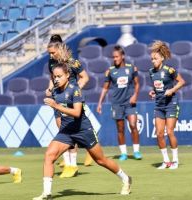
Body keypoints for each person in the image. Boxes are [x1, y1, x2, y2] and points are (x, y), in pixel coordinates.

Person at [33, 63, 132, 200]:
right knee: (49, 156)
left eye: (59, 76)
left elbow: (77, 113)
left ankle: (126, 178)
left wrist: (55, 105)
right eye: (54, 76)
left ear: (67, 75)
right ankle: (46, 193)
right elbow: (59, 110)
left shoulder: (75, 90)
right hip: (67, 131)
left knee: (101, 160)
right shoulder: (55, 91)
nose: (56, 79)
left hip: (83, 130)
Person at [46, 35, 93, 178]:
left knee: (72, 131)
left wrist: (74, 91)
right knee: (63, 131)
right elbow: (52, 79)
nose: (51, 55)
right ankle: (68, 165)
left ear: (60, 50)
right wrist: (49, 90)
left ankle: (73, 165)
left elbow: (85, 77)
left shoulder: (73, 62)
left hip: (71, 103)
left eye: (53, 52)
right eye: (49, 53)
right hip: (58, 101)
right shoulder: (51, 63)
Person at [96, 45, 142, 161]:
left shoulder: (131, 68)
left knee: (133, 125)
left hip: (129, 102)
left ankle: (136, 151)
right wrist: (100, 103)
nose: (114, 59)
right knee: (120, 129)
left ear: (123, 56)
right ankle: (124, 153)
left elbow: (137, 84)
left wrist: (135, 96)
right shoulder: (110, 71)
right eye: (113, 57)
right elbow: (105, 88)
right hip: (117, 104)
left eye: (116, 57)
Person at [148, 40, 185, 170]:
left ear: (162, 58)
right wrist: (153, 92)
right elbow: (157, 87)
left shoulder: (170, 70)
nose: (153, 61)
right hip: (159, 105)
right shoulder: (151, 72)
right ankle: (166, 161)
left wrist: (172, 90)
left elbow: (181, 82)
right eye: (152, 59)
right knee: (159, 133)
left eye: (155, 58)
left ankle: (175, 160)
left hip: (171, 104)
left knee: (169, 131)